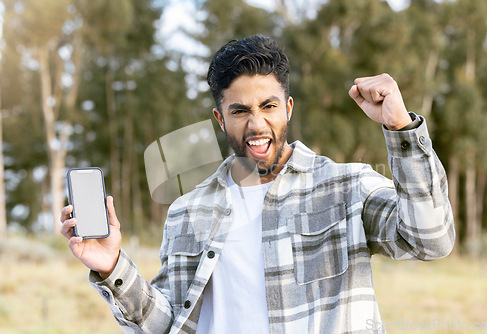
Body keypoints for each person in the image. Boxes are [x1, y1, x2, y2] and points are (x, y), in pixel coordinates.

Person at [60, 35, 455, 334]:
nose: (256, 125)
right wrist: (111, 265)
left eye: (268, 106)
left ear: (288, 108)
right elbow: (168, 325)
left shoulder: (346, 188)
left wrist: (400, 128)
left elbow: (430, 240)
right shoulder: (187, 211)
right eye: (240, 111)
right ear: (220, 119)